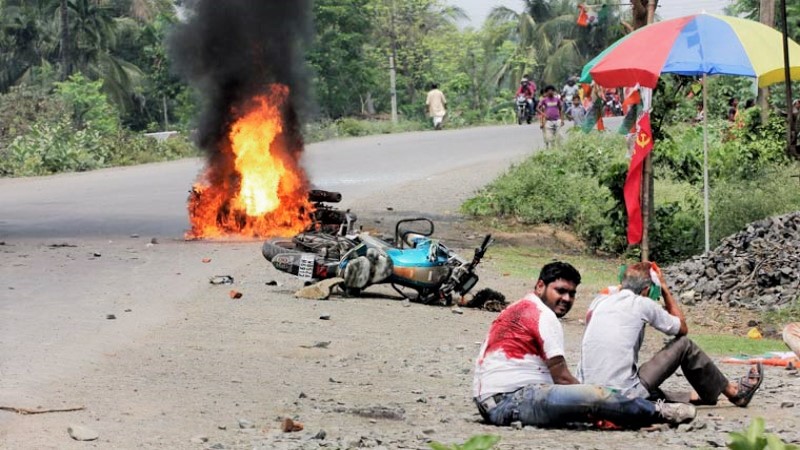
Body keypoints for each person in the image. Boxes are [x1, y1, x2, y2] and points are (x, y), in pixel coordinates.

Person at [472, 262, 697, 429]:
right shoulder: (543, 316)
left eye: (571, 294)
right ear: (540, 286)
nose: (567, 299)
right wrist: (594, 402)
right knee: (595, 396)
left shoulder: (516, 308)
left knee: (588, 395)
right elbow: (562, 378)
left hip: (490, 401)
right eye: (560, 291)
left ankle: (633, 408)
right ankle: (658, 411)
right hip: (512, 401)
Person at [578, 262, 764, 408]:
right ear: (646, 290)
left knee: (632, 379)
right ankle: (734, 393)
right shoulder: (642, 303)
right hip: (622, 392)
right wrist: (665, 289)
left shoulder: (599, 301)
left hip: (587, 391)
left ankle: (697, 396)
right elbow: (681, 328)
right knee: (684, 345)